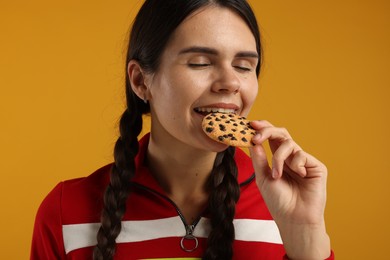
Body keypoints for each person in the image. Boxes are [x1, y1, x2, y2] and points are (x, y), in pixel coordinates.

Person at [31, 0, 334, 259]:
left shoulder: (284, 207)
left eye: (244, 66)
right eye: (200, 63)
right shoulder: (65, 212)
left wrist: (305, 234)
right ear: (140, 81)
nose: (230, 83)